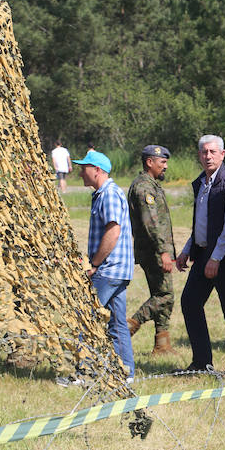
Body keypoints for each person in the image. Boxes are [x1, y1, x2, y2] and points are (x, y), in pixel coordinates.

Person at [175, 135, 225, 373]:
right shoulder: (200, 183)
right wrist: (186, 250)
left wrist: (216, 258)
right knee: (190, 303)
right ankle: (201, 363)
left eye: (213, 152)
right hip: (203, 254)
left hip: (224, 257)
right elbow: (201, 223)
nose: (208, 156)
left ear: (223, 155)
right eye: (204, 152)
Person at [73, 150, 135, 379]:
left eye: (84, 168)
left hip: (109, 269)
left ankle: (82, 373)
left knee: (86, 318)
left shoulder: (108, 194)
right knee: (118, 324)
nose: (80, 173)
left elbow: (113, 230)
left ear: (97, 170)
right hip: (118, 269)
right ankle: (125, 372)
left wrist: (95, 263)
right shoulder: (104, 193)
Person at [126, 145, 177, 357]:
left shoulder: (151, 184)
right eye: (161, 162)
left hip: (157, 250)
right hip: (154, 252)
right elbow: (152, 223)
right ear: (150, 162)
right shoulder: (144, 188)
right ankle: (129, 326)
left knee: (162, 294)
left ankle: (162, 344)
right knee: (165, 295)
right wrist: (164, 252)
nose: (165, 166)